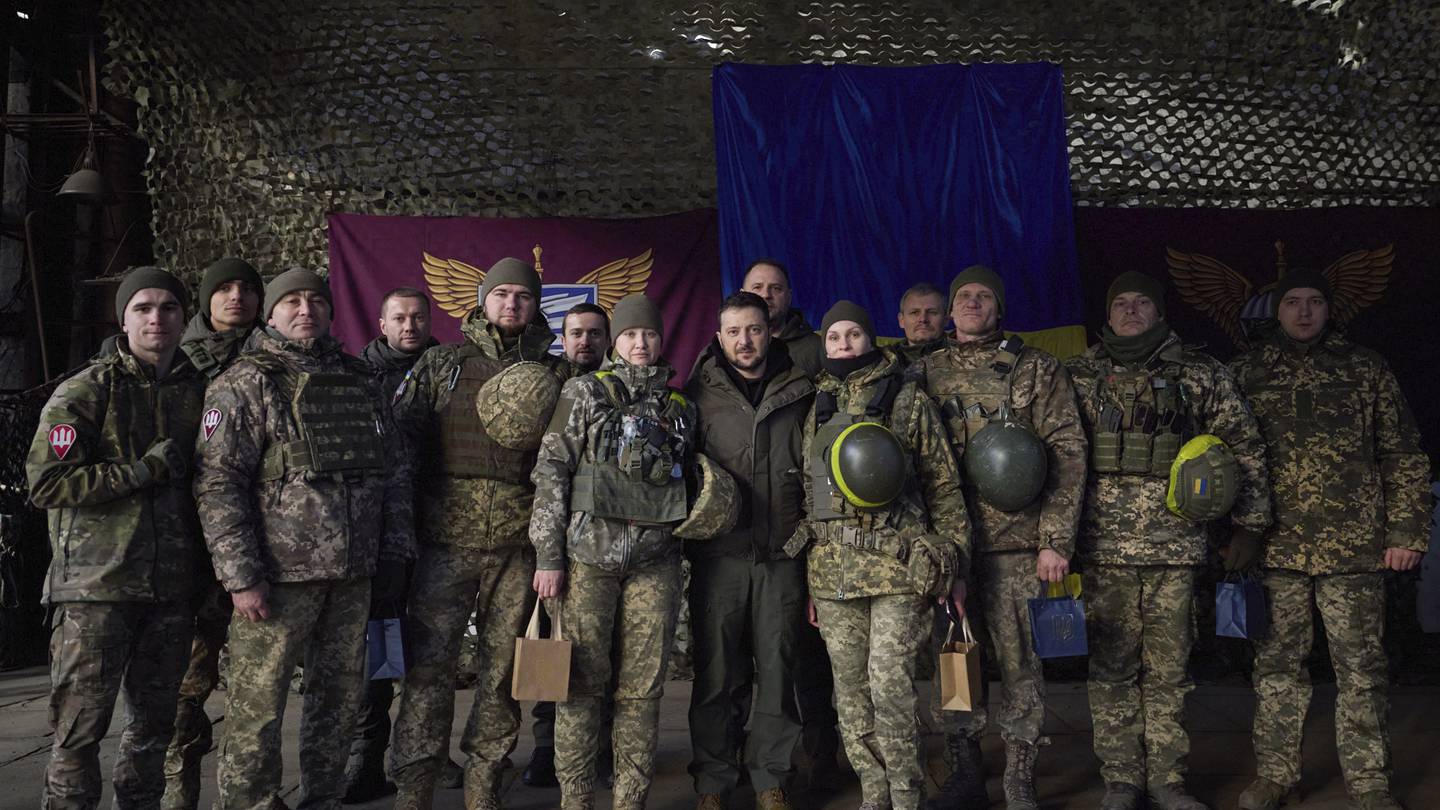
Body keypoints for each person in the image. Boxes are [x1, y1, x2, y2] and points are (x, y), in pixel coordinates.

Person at [194, 268, 415, 810]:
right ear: (270, 313)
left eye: (315, 300)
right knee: (257, 709)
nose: (305, 310)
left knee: (338, 704)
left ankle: (324, 799)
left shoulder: (361, 379)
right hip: (276, 581)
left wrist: (392, 553)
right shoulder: (246, 381)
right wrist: (241, 577)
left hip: (353, 576)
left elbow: (393, 471)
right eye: (291, 301)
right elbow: (218, 484)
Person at [1065, 272, 1271, 810]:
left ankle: (1167, 779)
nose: (1131, 310)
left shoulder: (1199, 373)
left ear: (1159, 312)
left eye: (1143, 302)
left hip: (1176, 547)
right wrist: (1055, 539)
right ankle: (1121, 780)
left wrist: (1249, 526)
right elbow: (1058, 456)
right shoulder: (1079, 375)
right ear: (1108, 314)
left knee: (1169, 670)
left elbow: (1244, 447)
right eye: (1121, 303)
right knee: (1110, 668)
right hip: (1101, 547)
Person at [1229, 271, 1428, 810]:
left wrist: (1406, 531)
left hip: (1353, 547)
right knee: (1276, 668)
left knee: (1362, 670)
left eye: (1315, 301)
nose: (1304, 312)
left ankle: (1370, 784)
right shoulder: (1248, 373)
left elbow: (1402, 453)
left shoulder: (1365, 368)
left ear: (1329, 308)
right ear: (1276, 311)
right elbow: (1222, 460)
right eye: (1293, 302)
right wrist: (1234, 532)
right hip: (1276, 548)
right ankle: (1275, 775)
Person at [389, 258, 573, 810]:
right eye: (501, 294)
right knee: (428, 669)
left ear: (536, 305)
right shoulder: (441, 364)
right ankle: (414, 788)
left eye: (523, 295)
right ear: (482, 300)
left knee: (501, 673)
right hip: (443, 543)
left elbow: (567, 465)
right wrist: (402, 533)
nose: (511, 304)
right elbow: (402, 450)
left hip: (518, 547)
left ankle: (484, 783)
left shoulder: (558, 375)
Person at [28, 267, 205, 810]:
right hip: (96, 591)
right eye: (142, 308)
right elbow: (47, 483)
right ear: (123, 319)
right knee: (78, 732)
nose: (157, 318)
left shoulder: (199, 391)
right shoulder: (86, 390)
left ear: (184, 317)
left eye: (169, 307)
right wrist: (140, 472)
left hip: (170, 592)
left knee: (154, 730)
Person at [787, 300, 971, 810]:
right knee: (851, 694)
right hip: (834, 577)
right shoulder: (818, 404)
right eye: (834, 337)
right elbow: (811, 494)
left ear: (872, 339)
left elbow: (944, 487)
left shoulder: (908, 400)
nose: (844, 345)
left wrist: (956, 567)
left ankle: (906, 795)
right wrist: (811, 583)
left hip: (898, 572)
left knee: (891, 688)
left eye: (853, 334)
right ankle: (874, 794)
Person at [917, 266, 1087, 810]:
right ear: (949, 309)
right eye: (963, 295)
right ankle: (966, 770)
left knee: (1021, 665)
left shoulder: (1037, 368)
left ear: (1000, 306)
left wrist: (1055, 539)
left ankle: (1019, 775)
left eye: (984, 295)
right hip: (951, 548)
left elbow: (1067, 451)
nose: (972, 303)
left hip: (1017, 544)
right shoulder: (923, 372)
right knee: (955, 662)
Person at [531, 294, 697, 810]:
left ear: (661, 339)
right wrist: (548, 557)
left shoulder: (680, 408)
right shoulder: (583, 393)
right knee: (580, 686)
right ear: (615, 342)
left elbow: (692, 484)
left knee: (642, 691)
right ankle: (577, 799)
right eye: (629, 334)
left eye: (649, 333)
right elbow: (551, 470)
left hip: (655, 564)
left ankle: (631, 799)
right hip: (587, 561)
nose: (640, 343)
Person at [683, 291, 815, 810]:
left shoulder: (801, 391)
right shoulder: (697, 396)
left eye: (754, 329)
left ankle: (770, 779)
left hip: (782, 556)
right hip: (719, 558)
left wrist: (804, 542)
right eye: (734, 331)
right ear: (719, 338)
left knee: (779, 674)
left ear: (770, 332)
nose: (745, 340)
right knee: (718, 675)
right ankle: (713, 782)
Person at [164, 257, 265, 810]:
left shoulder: (277, 357)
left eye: (247, 288)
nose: (236, 297)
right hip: (190, 550)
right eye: (223, 288)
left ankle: (249, 794)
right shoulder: (175, 361)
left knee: (257, 690)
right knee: (186, 685)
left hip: (260, 547)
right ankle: (178, 791)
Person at [341, 286, 440, 803]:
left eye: (418, 317)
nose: (409, 326)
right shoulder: (357, 379)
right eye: (399, 318)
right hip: (380, 537)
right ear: (381, 325)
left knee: (433, 649)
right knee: (379, 648)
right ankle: (368, 757)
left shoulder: (450, 371)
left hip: (443, 527)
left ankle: (426, 754)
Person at [524, 301, 614, 790]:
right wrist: (547, 549)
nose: (585, 341)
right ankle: (546, 745)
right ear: (563, 338)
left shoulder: (621, 387)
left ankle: (601, 746)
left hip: (602, 542)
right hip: (547, 533)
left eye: (595, 333)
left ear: (608, 338)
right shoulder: (547, 384)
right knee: (554, 645)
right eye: (576, 333)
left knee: (603, 652)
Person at [742, 259, 822, 378]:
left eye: (776, 288)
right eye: (757, 287)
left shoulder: (818, 349)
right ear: (742, 295)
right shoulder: (725, 351)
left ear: (789, 297)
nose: (766, 295)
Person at [895, 281, 948, 366]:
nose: (923, 319)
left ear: (946, 320)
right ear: (901, 320)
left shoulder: (965, 357)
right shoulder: (883, 362)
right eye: (914, 312)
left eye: (932, 312)